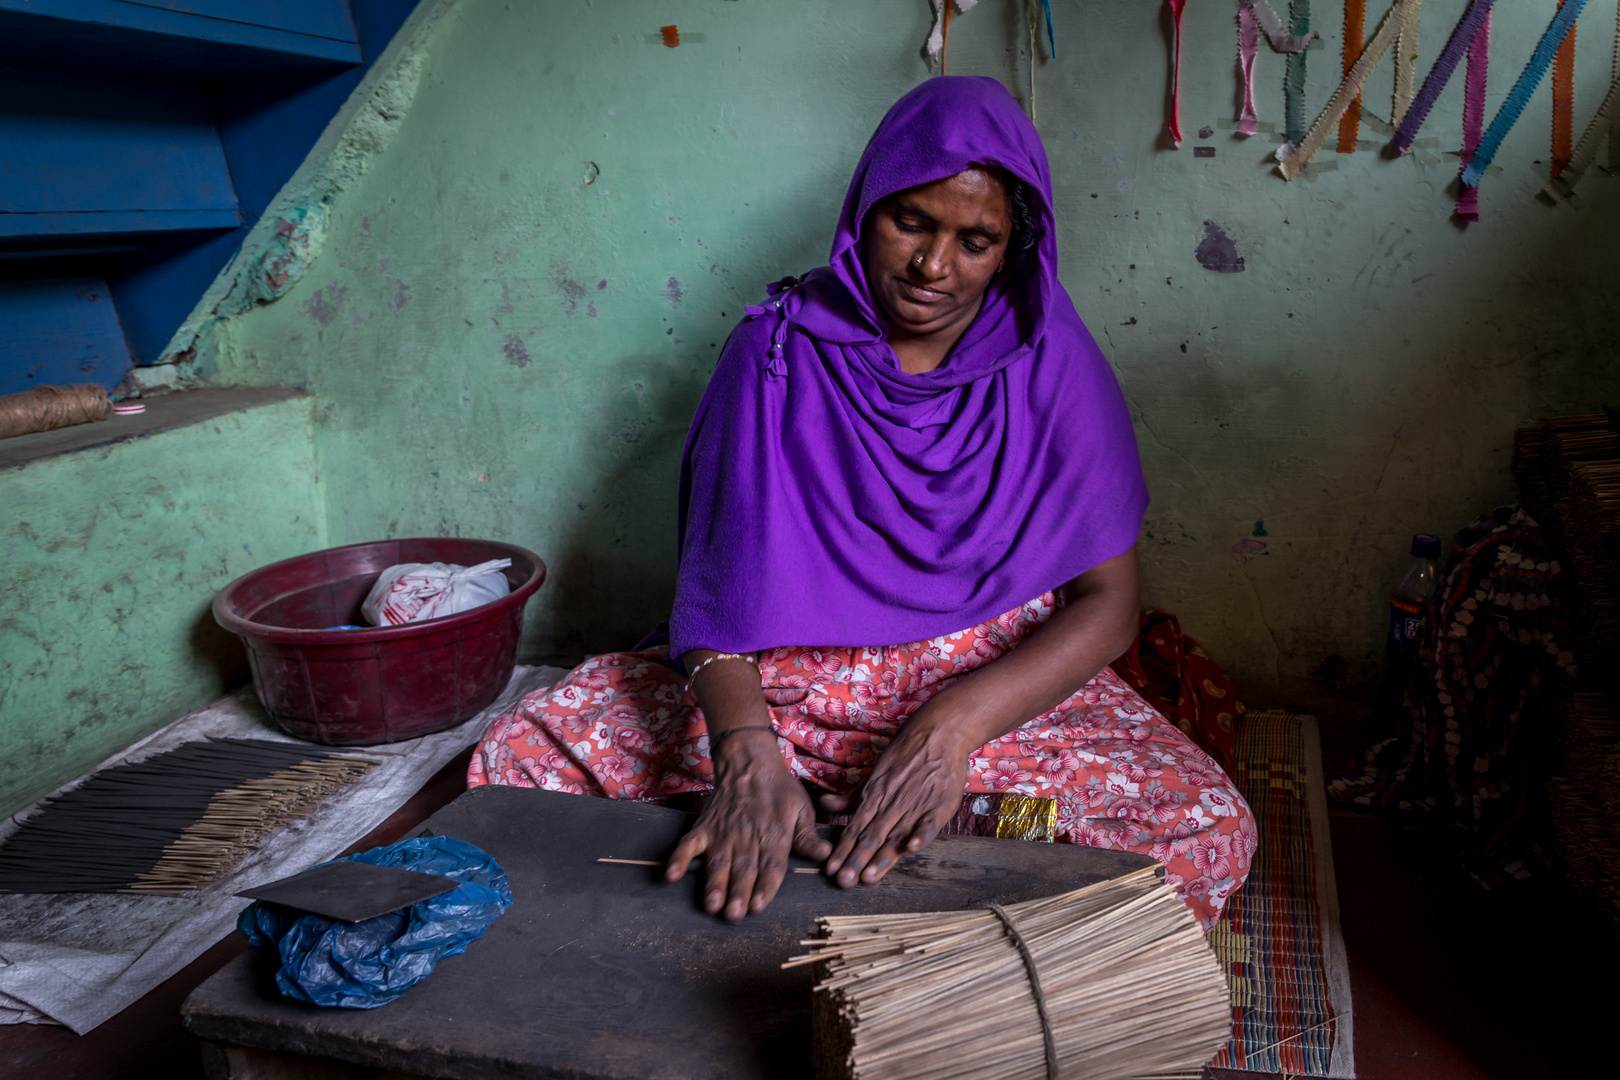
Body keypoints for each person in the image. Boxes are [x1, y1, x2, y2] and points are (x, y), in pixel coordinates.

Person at [470, 76, 1254, 930]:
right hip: (792, 693)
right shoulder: (774, 353)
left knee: (1202, 825)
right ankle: (803, 813)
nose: (932, 267)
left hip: (987, 695)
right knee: (521, 760)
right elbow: (715, 601)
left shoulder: (1050, 358)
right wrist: (744, 753)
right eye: (910, 221)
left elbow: (1109, 606)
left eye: (975, 240)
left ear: (1012, 250)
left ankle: (901, 818)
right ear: (866, 206)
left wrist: (950, 731)